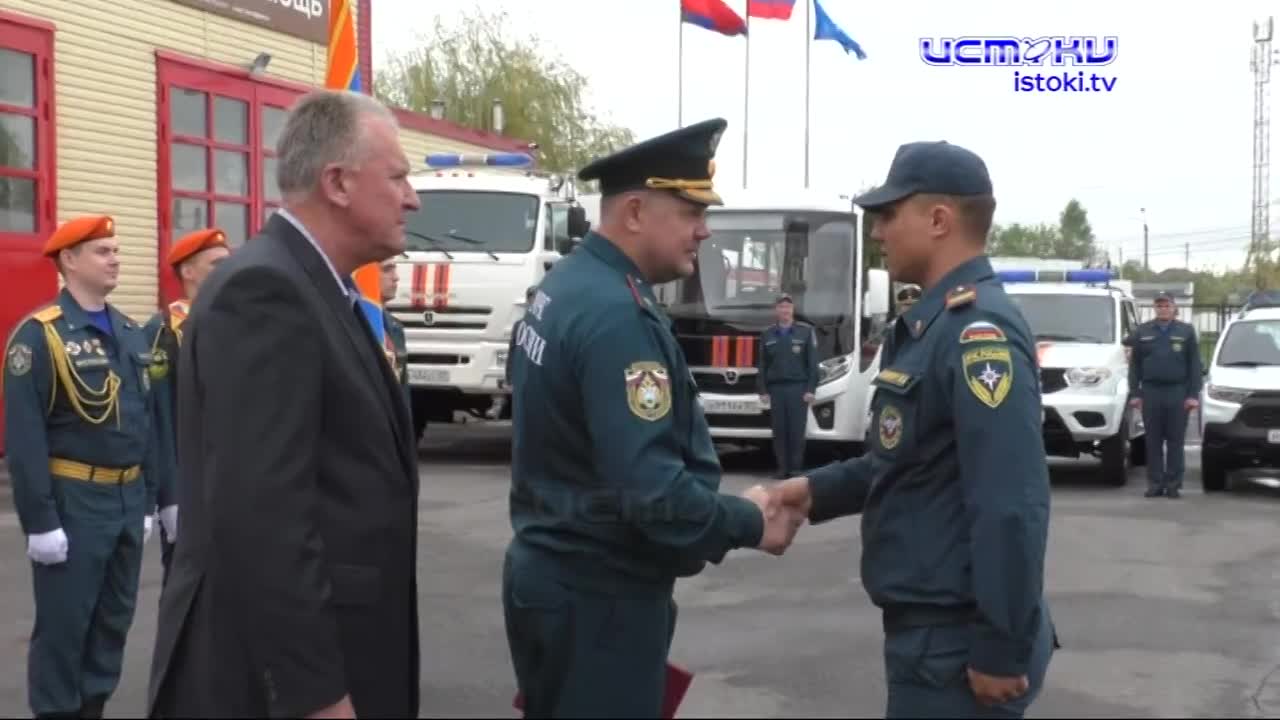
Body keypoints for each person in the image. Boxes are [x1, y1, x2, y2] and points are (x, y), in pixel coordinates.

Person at [502, 118, 804, 718]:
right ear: (635, 212)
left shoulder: (567, 285)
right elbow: (651, 491)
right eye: (691, 211)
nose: (704, 230)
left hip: (556, 582)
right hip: (599, 601)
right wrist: (748, 521)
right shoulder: (618, 316)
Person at [147, 89, 422, 720]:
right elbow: (263, 516)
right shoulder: (266, 292)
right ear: (338, 183)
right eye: (399, 177)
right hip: (274, 685)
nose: (413, 198)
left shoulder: (322, 289)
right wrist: (316, 695)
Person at [763, 141, 1058, 718]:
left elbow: (1010, 504)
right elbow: (903, 458)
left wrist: (1001, 647)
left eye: (889, 215)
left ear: (940, 220)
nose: (878, 232)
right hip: (930, 639)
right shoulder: (932, 324)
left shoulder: (978, 333)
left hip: (954, 644)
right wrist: (814, 492)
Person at [3, 214, 163, 720]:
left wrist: (148, 499)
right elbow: (25, 439)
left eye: (116, 249)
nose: (115, 257)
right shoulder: (39, 336)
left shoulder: (132, 333)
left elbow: (145, 425)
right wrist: (41, 522)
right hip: (74, 501)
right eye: (102, 251)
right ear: (68, 261)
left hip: (126, 497)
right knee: (66, 624)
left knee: (113, 620)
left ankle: (92, 709)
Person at [143, 227, 231, 587]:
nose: (227, 271)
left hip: (236, 478)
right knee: (186, 588)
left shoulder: (238, 323)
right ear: (188, 272)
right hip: (190, 482)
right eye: (216, 264)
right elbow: (160, 419)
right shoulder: (164, 331)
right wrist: (169, 496)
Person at [1125, 291, 1201, 499]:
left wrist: (1193, 394)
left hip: (1177, 391)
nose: (1163, 309)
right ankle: (1155, 483)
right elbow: (1135, 366)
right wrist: (1135, 393)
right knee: (1153, 441)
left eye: (1167, 305)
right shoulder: (1143, 331)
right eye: (1159, 306)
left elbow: (1194, 365)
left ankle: (1174, 484)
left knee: (1175, 441)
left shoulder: (1185, 331)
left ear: (1174, 308)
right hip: (1151, 392)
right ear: (1154, 308)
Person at [756, 294, 819, 479]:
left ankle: (796, 468)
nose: (785, 310)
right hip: (776, 389)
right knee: (779, 430)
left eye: (788, 307)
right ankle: (782, 468)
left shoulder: (805, 332)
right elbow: (762, 363)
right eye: (781, 307)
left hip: (798, 388)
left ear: (792, 310)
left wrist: (810, 389)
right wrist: (763, 390)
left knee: (797, 430)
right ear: (776, 310)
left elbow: (812, 363)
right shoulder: (767, 334)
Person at [379, 255, 412, 410]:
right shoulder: (352, 322)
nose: (396, 278)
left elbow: (402, 386)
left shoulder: (395, 327)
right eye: (387, 270)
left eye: (395, 269)